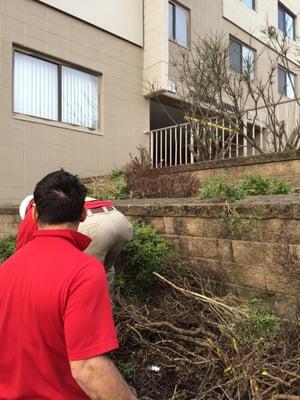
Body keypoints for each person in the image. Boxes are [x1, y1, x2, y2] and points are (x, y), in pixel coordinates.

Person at [0, 169, 137, 399]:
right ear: (83, 215)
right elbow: (87, 367)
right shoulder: (84, 272)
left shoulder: (6, 268)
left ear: (33, 216)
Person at [17, 192, 133, 292]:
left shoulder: (36, 209)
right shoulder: (64, 197)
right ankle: (108, 308)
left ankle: (91, 310)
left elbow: (23, 249)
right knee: (106, 269)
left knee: (84, 277)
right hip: (119, 219)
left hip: (94, 223)